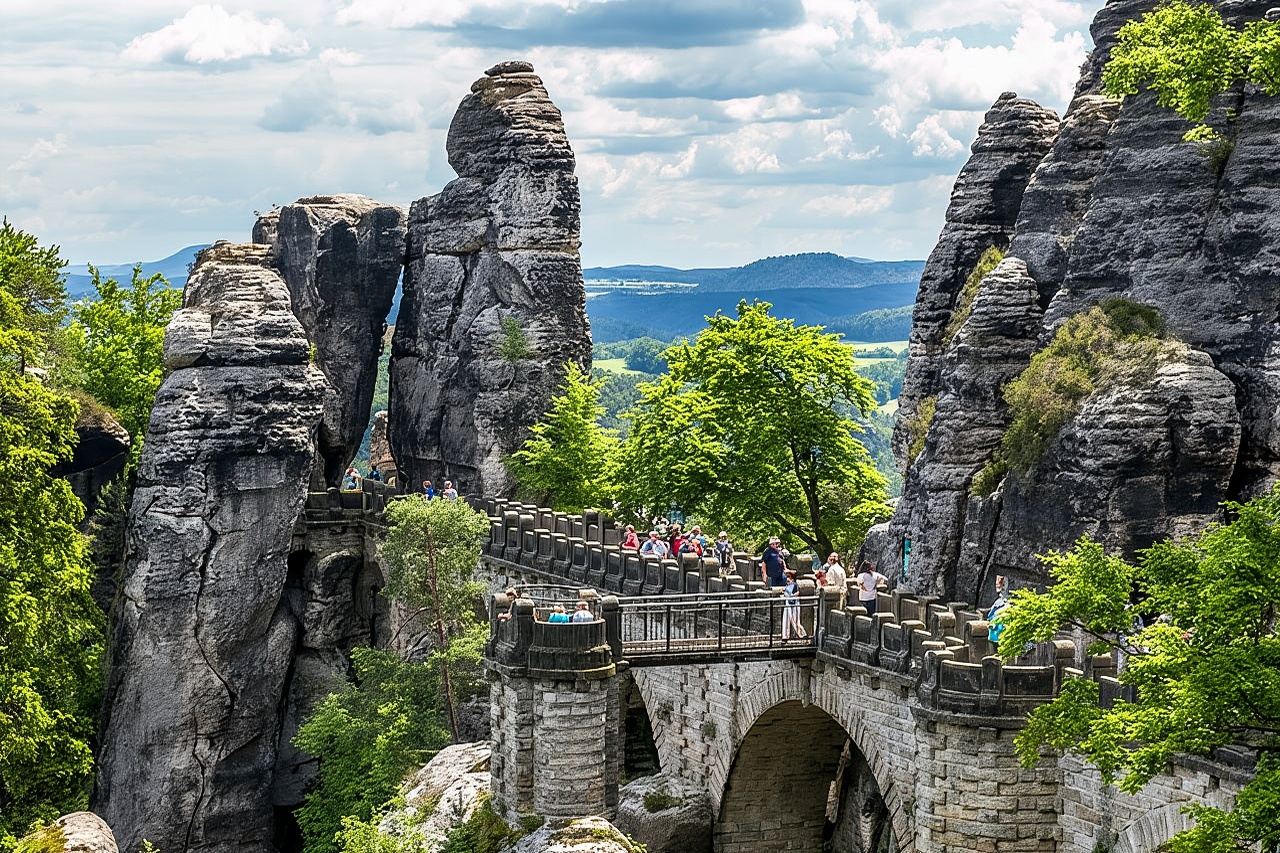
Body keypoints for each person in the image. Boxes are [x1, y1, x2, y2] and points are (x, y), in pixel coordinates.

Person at [781, 569, 808, 641]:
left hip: (794, 604)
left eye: (789, 577)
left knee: (795, 620)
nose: (787, 578)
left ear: (792, 578)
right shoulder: (787, 585)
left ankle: (802, 634)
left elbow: (797, 593)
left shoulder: (795, 585)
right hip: (787, 603)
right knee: (786, 620)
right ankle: (785, 636)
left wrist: (791, 596)